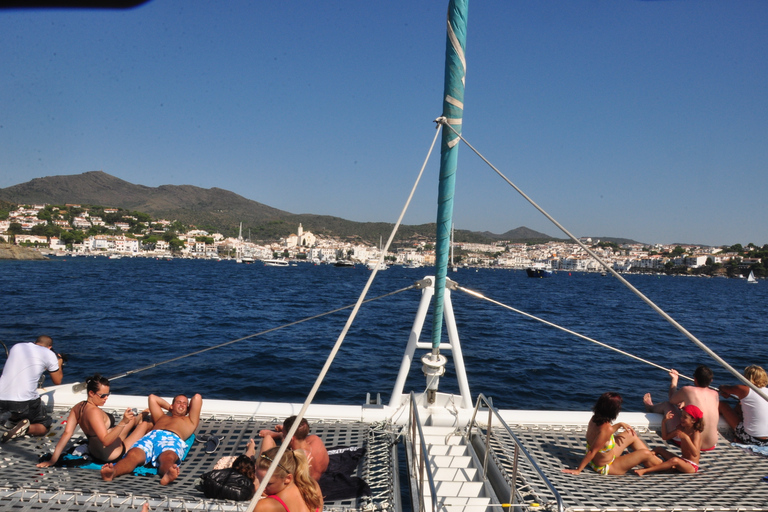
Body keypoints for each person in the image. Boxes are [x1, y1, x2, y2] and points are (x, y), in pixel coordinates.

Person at [36, 374, 152, 467]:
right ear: (91, 393)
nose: (106, 398)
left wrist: (53, 460)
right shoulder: (94, 412)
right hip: (112, 454)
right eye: (103, 395)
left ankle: (138, 417)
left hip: (95, 450)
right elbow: (106, 441)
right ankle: (142, 419)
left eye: (108, 394)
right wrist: (122, 422)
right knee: (145, 425)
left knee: (131, 421)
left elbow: (67, 434)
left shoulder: (78, 407)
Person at [101, 392, 202, 485]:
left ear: (188, 408)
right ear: (172, 405)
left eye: (185, 403)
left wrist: (184, 408)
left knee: (167, 456)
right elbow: (152, 398)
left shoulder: (190, 421)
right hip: (151, 436)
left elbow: (197, 397)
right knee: (133, 454)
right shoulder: (161, 417)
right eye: (178, 402)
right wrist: (170, 408)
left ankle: (167, 474)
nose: (182, 405)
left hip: (171, 438)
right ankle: (113, 472)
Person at [563, 392, 661, 475]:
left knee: (631, 434)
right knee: (645, 453)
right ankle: (665, 466)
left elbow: (602, 436)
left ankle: (652, 461)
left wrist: (619, 424)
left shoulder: (595, 419)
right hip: (607, 466)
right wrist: (578, 470)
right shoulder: (607, 429)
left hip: (606, 457)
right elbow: (592, 452)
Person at [0, 335, 63, 442]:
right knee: (44, 426)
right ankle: (25, 429)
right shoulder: (49, 354)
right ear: (50, 347)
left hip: (1, 397)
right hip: (23, 401)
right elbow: (57, 381)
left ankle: (12, 421)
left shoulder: (17, 346)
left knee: (15, 406)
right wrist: (59, 363)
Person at [643, 365, 720, 450]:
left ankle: (650, 407)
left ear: (695, 379)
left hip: (690, 443)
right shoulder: (715, 394)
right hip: (711, 444)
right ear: (711, 380)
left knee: (667, 405)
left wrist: (674, 380)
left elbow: (672, 399)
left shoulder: (687, 390)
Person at [635, 404, 704, 475]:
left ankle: (646, 470)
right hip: (682, 460)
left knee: (675, 460)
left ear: (693, 420)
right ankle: (642, 459)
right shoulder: (682, 428)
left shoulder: (696, 433)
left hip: (691, 466)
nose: (681, 418)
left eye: (685, 417)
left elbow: (695, 454)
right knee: (659, 449)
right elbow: (665, 437)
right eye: (681, 416)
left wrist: (686, 438)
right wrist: (664, 421)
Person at [258, 415, 328, 481]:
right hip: (316, 480)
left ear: (290, 439)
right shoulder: (316, 440)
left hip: (299, 486)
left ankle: (281, 435)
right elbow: (294, 440)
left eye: (284, 435)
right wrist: (283, 435)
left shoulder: (292, 460)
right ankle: (282, 434)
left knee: (268, 439)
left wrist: (251, 451)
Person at [255, 446, 323, 512]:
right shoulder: (312, 487)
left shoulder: (264, 506)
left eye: (268, 484)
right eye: (258, 479)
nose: (261, 488)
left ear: (288, 478)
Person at [718, 365, 768, 445]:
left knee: (722, 405)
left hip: (752, 439)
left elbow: (723, 388)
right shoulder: (766, 392)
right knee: (740, 404)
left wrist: (726, 391)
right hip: (766, 441)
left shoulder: (744, 389)